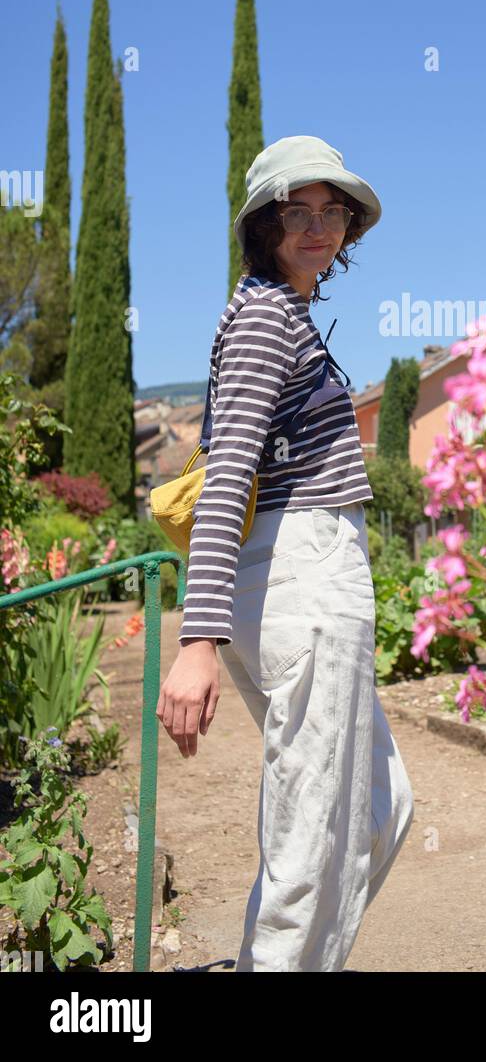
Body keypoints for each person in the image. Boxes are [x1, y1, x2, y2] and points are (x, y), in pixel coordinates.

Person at [156, 135, 414, 972]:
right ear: (264, 224)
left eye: (330, 210)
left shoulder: (278, 314)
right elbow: (229, 468)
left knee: (381, 808)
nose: (316, 226)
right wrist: (197, 640)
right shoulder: (268, 316)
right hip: (301, 568)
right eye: (296, 211)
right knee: (309, 844)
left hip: (305, 568)